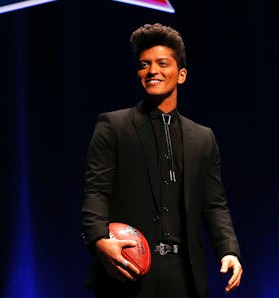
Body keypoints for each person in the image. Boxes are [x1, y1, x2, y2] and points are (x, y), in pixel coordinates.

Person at [81, 23, 243, 298]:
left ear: (181, 75)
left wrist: (229, 250)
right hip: (129, 269)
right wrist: (99, 240)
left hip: (185, 275)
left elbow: (214, 204)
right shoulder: (113, 126)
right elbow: (96, 191)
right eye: (144, 64)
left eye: (162, 63)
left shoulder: (203, 137)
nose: (152, 70)